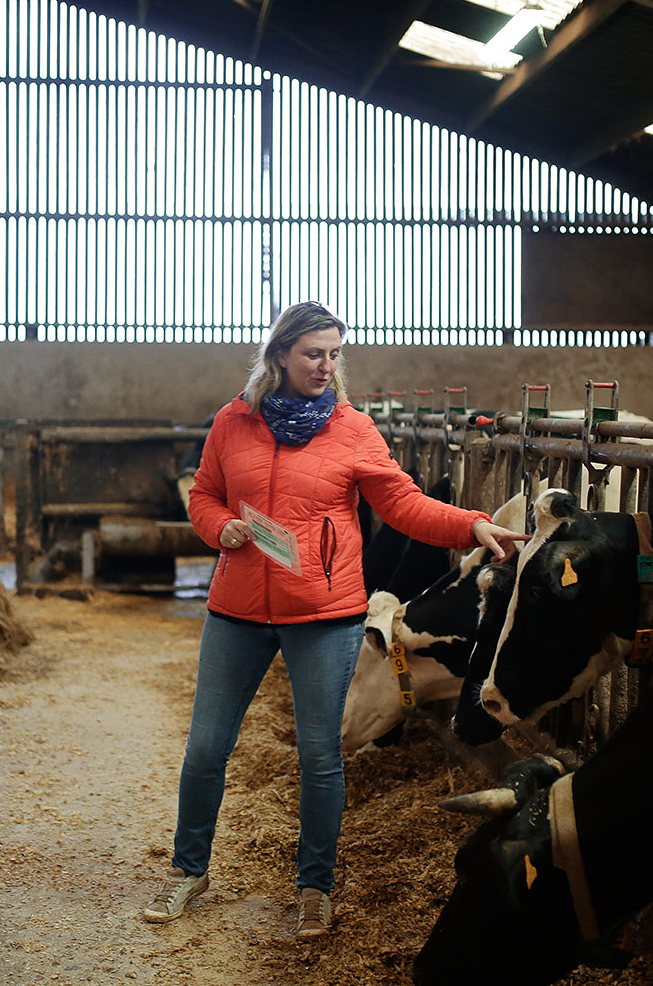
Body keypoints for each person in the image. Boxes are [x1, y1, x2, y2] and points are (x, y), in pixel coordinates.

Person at [142, 301, 527, 938]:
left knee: (321, 755)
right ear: (279, 356)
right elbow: (204, 493)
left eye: (334, 353)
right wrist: (220, 526)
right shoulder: (232, 422)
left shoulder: (352, 428)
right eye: (313, 353)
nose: (326, 365)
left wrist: (469, 525)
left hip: (325, 615)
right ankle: (189, 870)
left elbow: (402, 503)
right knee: (207, 748)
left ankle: (313, 886)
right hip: (236, 611)